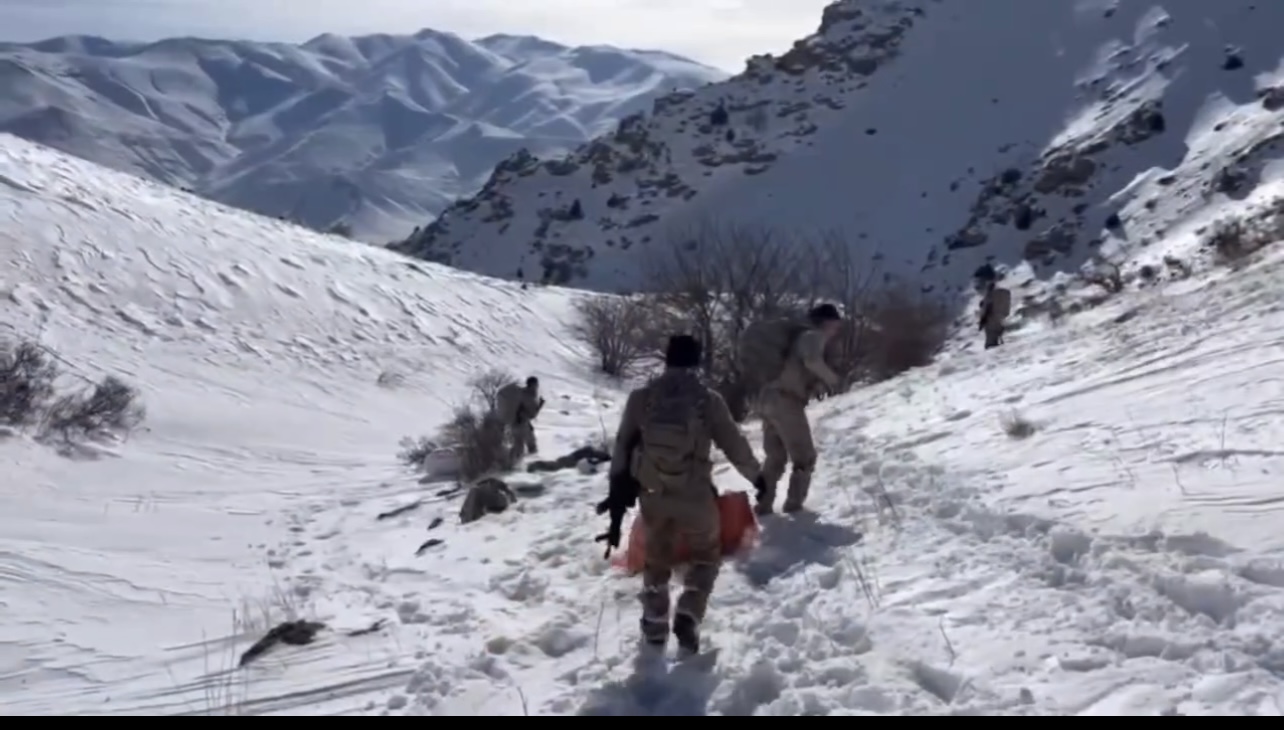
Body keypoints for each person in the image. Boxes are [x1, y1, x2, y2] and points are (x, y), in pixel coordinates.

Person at [595, 335, 764, 655]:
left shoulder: (642, 398)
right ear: (696, 362)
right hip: (696, 496)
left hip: (653, 496)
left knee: (657, 559)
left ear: (667, 359)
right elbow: (734, 445)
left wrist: (617, 492)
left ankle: (655, 623)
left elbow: (622, 448)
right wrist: (758, 477)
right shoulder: (707, 400)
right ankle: (689, 610)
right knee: (706, 556)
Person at [746, 303, 843, 516]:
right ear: (826, 322)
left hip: (767, 399)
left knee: (776, 458)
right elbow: (812, 361)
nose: (836, 330)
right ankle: (795, 507)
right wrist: (833, 380)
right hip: (786, 401)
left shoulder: (795, 337)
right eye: (835, 325)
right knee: (805, 457)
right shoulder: (813, 336)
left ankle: (763, 505)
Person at [495, 376, 544, 461]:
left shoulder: (521, 393)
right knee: (526, 446)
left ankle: (510, 463)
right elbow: (532, 414)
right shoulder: (528, 396)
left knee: (520, 445)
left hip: (516, 423)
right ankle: (515, 465)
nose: (537, 386)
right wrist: (540, 404)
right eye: (536, 385)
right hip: (521, 424)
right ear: (533, 385)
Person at [978, 280, 1011, 349]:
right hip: (1002, 318)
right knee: (1000, 336)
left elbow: (987, 308)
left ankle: (993, 355)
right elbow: (1007, 308)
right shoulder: (1005, 293)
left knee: (991, 341)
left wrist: (982, 321)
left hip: (991, 320)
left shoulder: (990, 295)